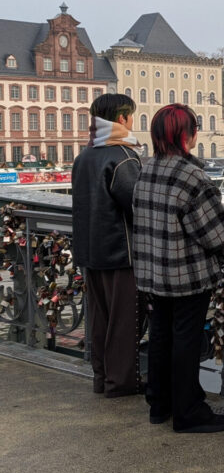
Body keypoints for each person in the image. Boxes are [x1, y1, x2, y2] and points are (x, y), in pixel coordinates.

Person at [132, 104, 224, 433]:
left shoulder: (146, 169)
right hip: (187, 274)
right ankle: (188, 412)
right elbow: (216, 235)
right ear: (187, 135)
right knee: (186, 341)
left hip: (153, 272)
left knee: (160, 335)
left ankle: (159, 403)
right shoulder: (192, 177)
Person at [71, 93, 143, 397]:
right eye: (131, 116)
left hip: (90, 251)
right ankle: (121, 382)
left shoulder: (84, 156)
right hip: (120, 253)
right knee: (124, 322)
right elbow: (137, 206)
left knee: (100, 320)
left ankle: (101, 378)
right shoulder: (123, 156)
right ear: (122, 119)